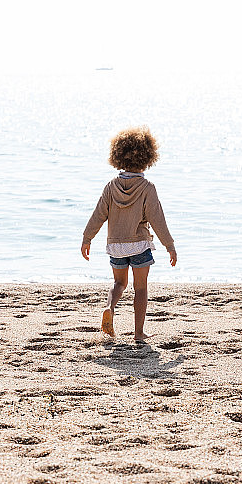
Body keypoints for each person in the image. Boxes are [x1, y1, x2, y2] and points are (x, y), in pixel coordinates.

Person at [81, 126, 177, 342]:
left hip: (116, 245)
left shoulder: (111, 186)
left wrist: (87, 238)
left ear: (118, 156)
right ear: (147, 157)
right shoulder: (147, 188)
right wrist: (169, 245)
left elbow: (98, 215)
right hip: (139, 244)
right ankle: (138, 333)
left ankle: (109, 307)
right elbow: (157, 220)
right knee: (140, 288)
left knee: (119, 283)